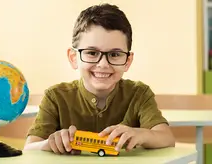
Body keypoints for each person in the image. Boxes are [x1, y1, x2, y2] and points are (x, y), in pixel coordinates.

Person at [23, 3, 175, 155]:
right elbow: (29, 148)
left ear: (128, 61)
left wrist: (142, 134)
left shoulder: (139, 94)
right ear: (73, 57)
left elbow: (167, 138)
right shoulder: (55, 96)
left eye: (115, 54)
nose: (103, 64)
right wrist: (48, 143)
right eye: (92, 53)